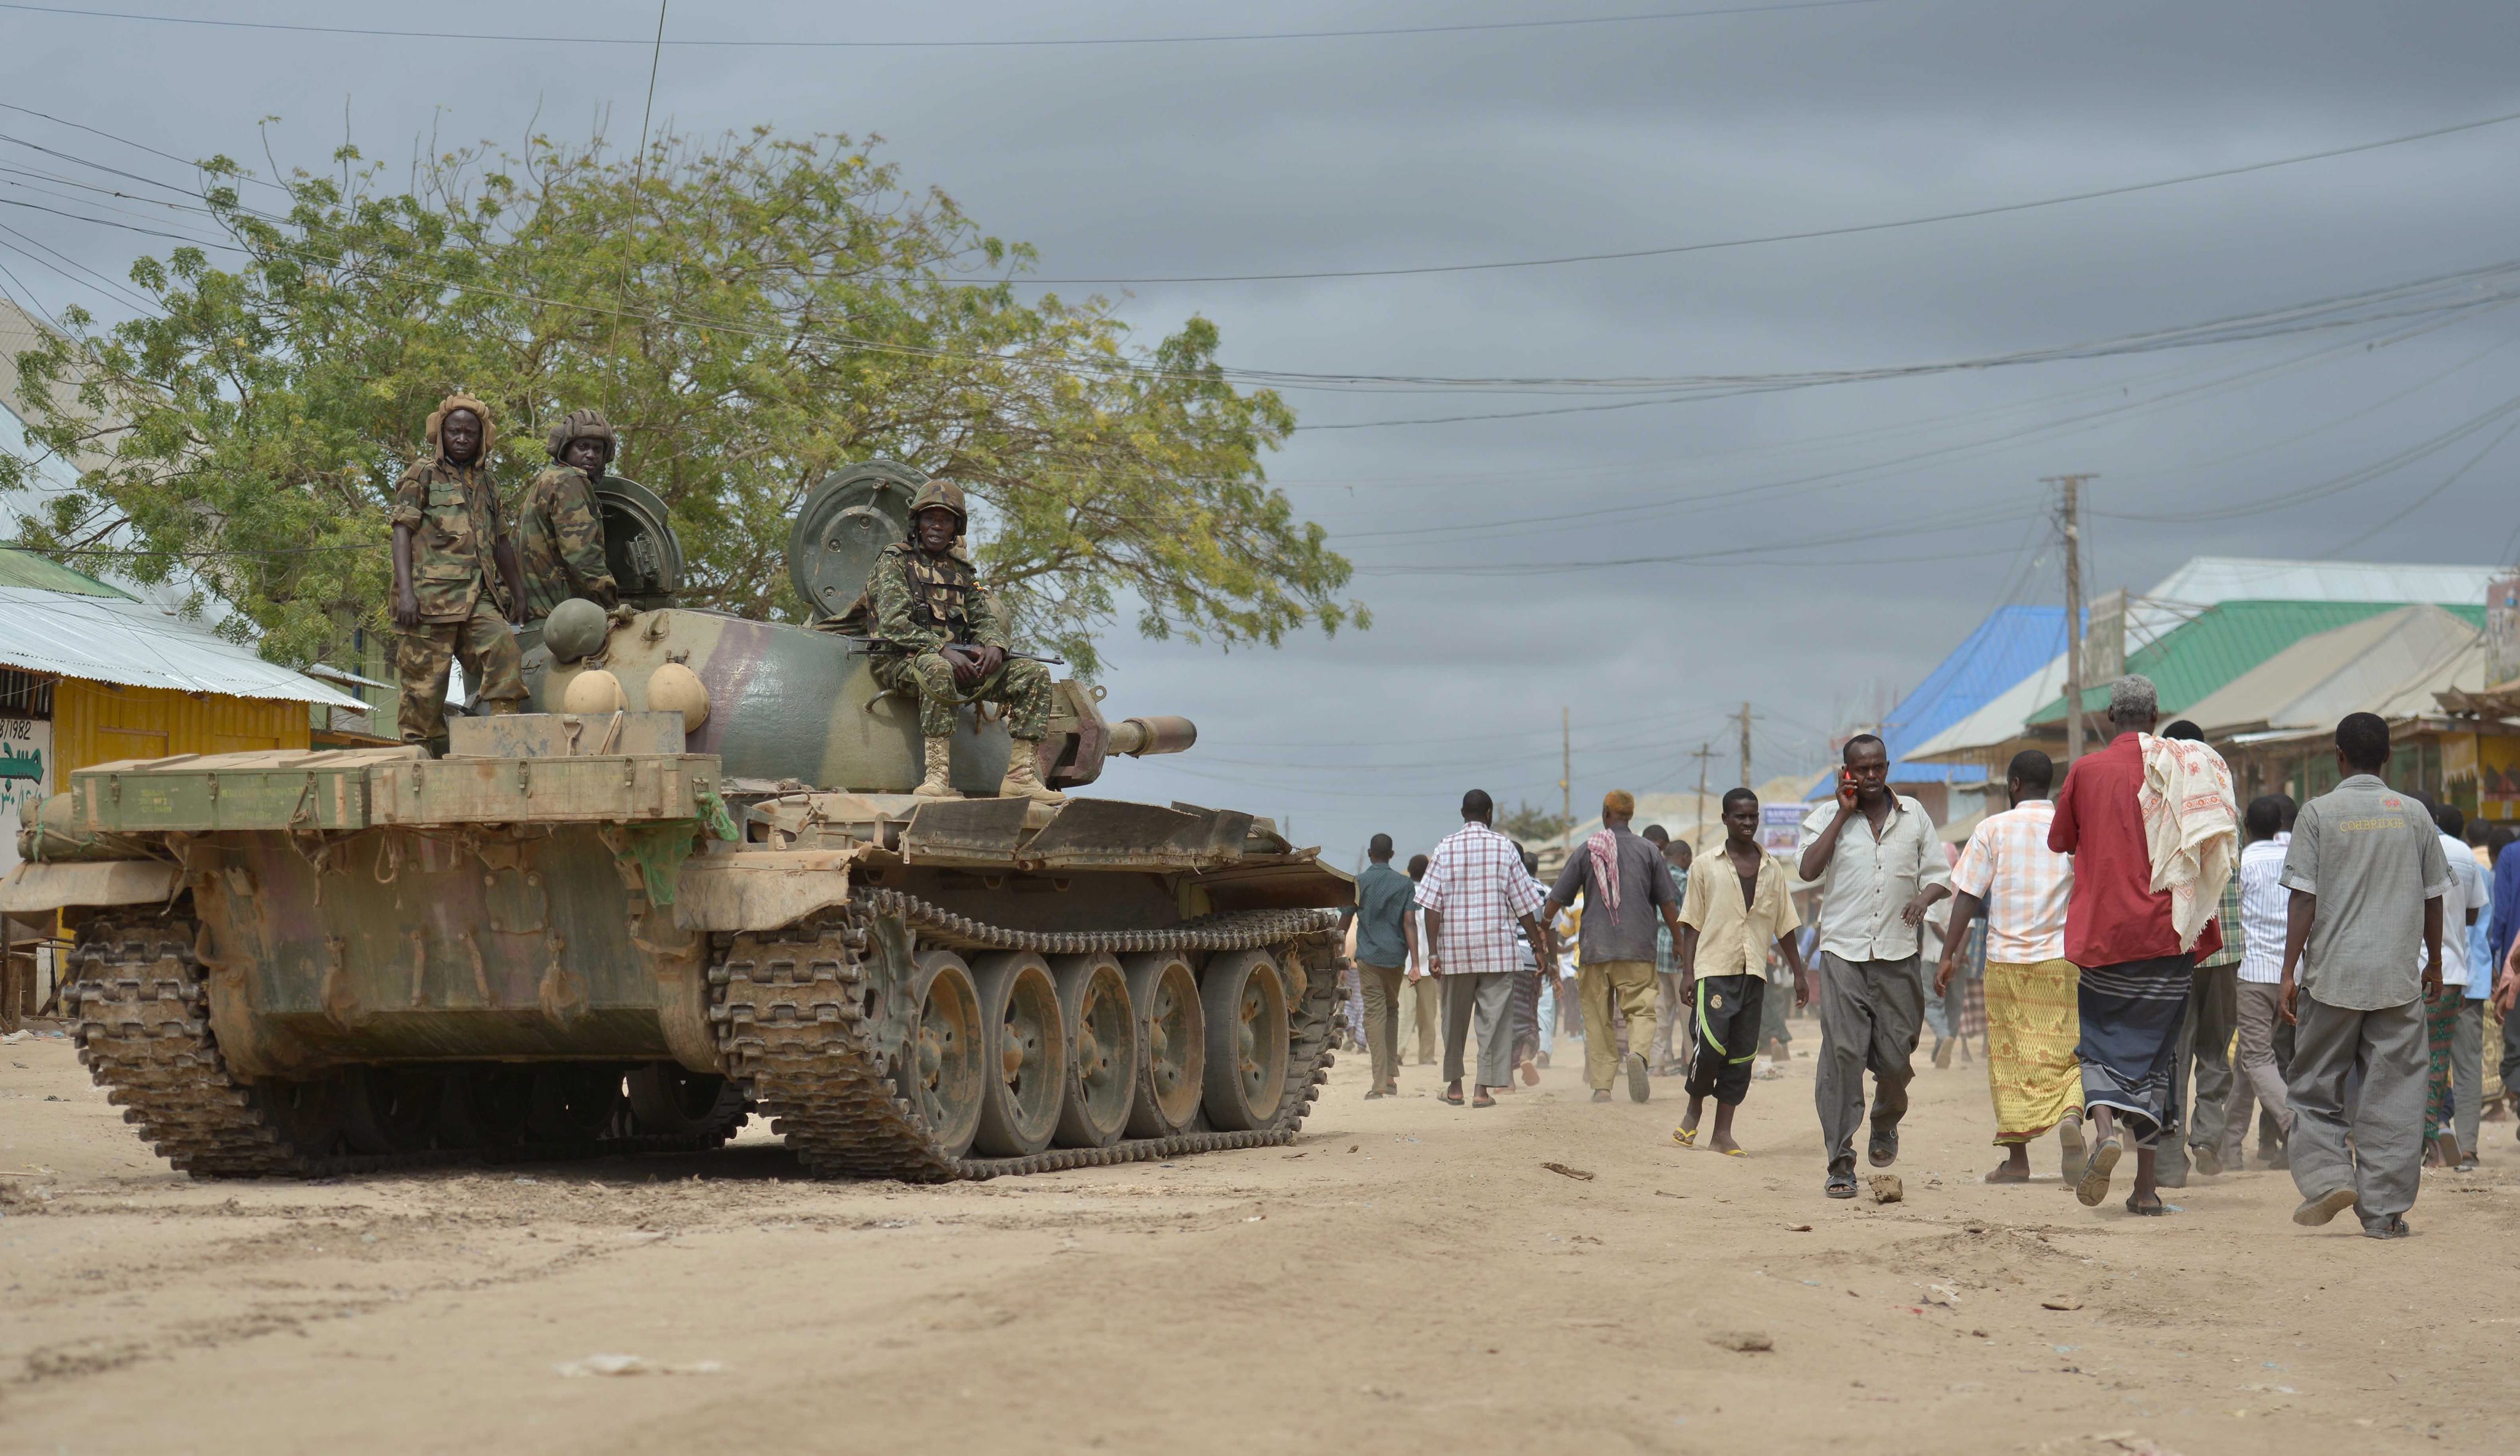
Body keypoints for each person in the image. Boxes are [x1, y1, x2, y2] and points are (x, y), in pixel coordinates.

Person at [2047, 674, 2235, 1215]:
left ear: (2111, 717)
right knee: (2160, 1060)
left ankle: (2105, 1128)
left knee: (2102, 1044)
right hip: (2166, 936)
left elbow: (2061, 840)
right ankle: (2146, 1189)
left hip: (2104, 937)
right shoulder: (2179, 768)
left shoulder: (2085, 770)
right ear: (2154, 718)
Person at [2279, 713, 2449, 1238]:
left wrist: (2289, 969)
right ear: (2389, 756)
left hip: (2332, 977)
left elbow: (2304, 898)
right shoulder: (2415, 815)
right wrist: (2436, 961)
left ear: (2338, 756)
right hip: (2397, 979)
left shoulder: (2318, 813)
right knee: (2395, 1095)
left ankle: (2329, 1175)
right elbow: (2434, 896)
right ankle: (2383, 1212)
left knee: (2312, 1087)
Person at [1798, 734, 1950, 1198]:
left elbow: (1940, 875)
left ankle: (1884, 1122)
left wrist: (1924, 898)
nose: (1870, 777)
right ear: (1845, 771)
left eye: (1877, 768)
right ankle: (1840, 1160)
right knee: (1843, 1054)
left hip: (1898, 953)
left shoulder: (1914, 816)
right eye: (1860, 769)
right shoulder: (1827, 817)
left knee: (1896, 1057)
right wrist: (1843, 813)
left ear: (1887, 767)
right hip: (1843, 952)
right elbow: (1807, 870)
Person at [863, 479, 1063, 804]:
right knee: (937, 667)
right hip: (901, 660)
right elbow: (895, 625)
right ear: (918, 522)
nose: (937, 526)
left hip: (958, 661)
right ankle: (937, 777)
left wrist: (996, 645)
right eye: (930, 518)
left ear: (957, 526)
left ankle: (1020, 778)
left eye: (946, 519)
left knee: (1033, 675)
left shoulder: (962, 571)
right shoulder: (895, 561)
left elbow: (983, 619)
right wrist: (940, 648)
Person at [1941, 748, 2084, 1184]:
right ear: (2053, 785)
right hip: (2062, 959)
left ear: (2014, 785)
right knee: (2067, 1049)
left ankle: (2018, 1161)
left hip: (2006, 961)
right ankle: (2072, 1116)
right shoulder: (2072, 829)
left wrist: (1948, 954)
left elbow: (1967, 893)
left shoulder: (1991, 829)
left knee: (2009, 1058)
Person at [390, 392, 529, 751]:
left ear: (483, 438)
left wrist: (519, 593)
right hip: (427, 603)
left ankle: (505, 737)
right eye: (455, 431)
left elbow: (501, 543)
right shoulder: (421, 475)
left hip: (476, 598)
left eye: (471, 432)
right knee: (424, 695)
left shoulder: (488, 483)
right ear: (440, 433)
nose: (463, 438)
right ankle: (422, 765)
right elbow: (401, 533)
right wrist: (406, 593)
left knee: (504, 649)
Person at [1673, 789, 1806, 1154]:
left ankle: (1722, 1134)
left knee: (1743, 1054)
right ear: (1725, 820)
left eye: (1753, 816)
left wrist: (1799, 972)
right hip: (1714, 969)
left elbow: (1786, 925)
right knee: (1710, 1048)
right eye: (1740, 817)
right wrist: (1688, 972)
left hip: (1754, 974)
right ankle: (1694, 1108)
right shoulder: (1704, 865)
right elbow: (1692, 924)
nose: (1748, 823)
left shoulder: (1773, 869)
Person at [1545, 790, 1686, 1104]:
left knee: (1597, 1018)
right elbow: (1668, 903)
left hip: (1595, 949)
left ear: (1606, 813)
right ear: (1630, 816)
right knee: (1641, 1010)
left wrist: (1543, 925)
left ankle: (1603, 1086)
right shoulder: (1649, 851)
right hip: (1638, 948)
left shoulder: (1589, 850)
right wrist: (1679, 942)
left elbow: (1557, 898)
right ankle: (1637, 1054)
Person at [1418, 790, 1553, 1108]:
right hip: (1497, 950)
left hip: (1455, 950)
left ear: (1462, 813)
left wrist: (1433, 953)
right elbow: (1524, 905)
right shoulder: (1505, 848)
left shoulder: (1445, 848)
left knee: (1454, 1020)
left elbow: (1431, 906)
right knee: (1494, 1022)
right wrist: (1537, 946)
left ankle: (1454, 1088)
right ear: (1489, 814)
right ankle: (1481, 1091)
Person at [2156, 720, 2241, 1187]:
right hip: (2226, 950)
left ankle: (2170, 1159)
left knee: (2173, 1052)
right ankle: (2207, 1136)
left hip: (2178, 948)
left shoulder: (2163, 803)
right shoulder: (2228, 803)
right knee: (2215, 1049)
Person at [2225, 794, 2295, 1171]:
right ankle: (2230, 1148)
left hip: (2252, 974)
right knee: (2249, 1065)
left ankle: (2295, 1128)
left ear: (2247, 827)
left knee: (2255, 1058)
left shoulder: (2242, 863)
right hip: (2291, 977)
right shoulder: (2293, 860)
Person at [2423, 801, 2489, 1168]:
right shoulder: (2464, 853)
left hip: (2420, 973)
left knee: (2418, 1061)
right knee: (2465, 1064)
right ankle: (2468, 1149)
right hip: (2463, 974)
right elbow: (2475, 912)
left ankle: (2427, 1142)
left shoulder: (2409, 848)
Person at [514, 408, 622, 621]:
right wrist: (612, 604)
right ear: (565, 448)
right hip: (561, 615)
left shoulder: (549, 478)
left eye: (597, 450)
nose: (591, 454)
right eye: (582, 447)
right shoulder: (569, 481)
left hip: (538, 611)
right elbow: (582, 556)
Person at [1342, 833, 1418, 1099]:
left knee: (1374, 1015)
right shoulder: (1405, 884)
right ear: (1392, 855)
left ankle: (1378, 1085)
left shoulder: (1359, 883)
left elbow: (1344, 921)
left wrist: (1335, 950)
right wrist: (1416, 963)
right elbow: (1410, 923)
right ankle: (1390, 1077)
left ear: (1371, 854)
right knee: (1391, 1010)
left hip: (1369, 959)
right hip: (1396, 959)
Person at [1645, 827, 1694, 1076]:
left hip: (1656, 950)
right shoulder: (1688, 881)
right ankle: (1691, 1063)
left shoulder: (1654, 879)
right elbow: (1693, 920)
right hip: (1682, 954)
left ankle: (1656, 1064)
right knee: (1688, 1013)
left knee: (1659, 1013)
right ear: (1685, 857)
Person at [1397, 853, 1440, 1067]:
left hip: (1405, 963)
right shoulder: (1432, 895)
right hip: (1428, 963)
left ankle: (1397, 1052)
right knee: (1428, 1014)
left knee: (1404, 1011)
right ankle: (1427, 1056)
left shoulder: (1404, 894)